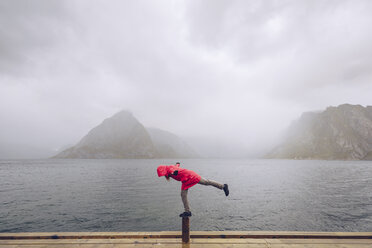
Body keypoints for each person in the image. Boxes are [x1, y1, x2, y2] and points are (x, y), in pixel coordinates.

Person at [157, 162, 229, 217]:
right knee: (206, 182)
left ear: (163, 170)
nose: (163, 175)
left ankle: (187, 211)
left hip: (189, 177)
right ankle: (223, 186)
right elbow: (176, 167)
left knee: (183, 194)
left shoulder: (170, 170)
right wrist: (177, 164)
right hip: (189, 176)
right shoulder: (170, 167)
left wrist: (174, 173)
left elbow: (174, 170)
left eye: (162, 174)